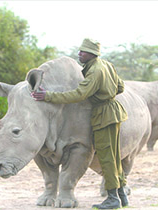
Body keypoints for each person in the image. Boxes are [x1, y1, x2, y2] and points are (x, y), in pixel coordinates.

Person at [31, 38, 129, 209]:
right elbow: (120, 87)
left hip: (103, 115)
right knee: (114, 156)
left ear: (92, 54)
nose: (79, 54)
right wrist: (107, 92)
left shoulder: (95, 71)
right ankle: (122, 196)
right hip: (114, 111)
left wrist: (48, 96)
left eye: (83, 52)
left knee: (106, 157)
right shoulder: (106, 65)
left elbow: (79, 94)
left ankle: (112, 198)